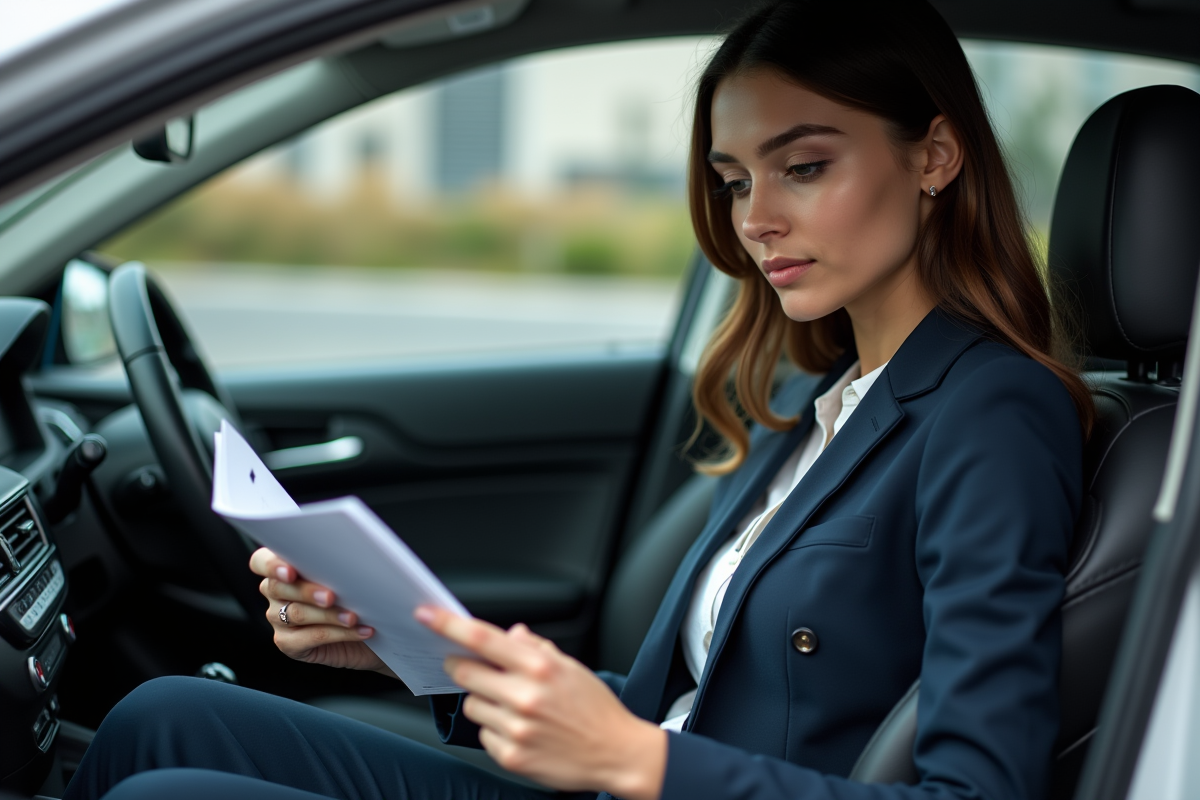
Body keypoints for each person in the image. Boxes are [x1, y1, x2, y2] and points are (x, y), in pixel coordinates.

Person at [63, 1, 1091, 799]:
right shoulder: (825, 398)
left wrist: (641, 762)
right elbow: (669, 710)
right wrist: (411, 652)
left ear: (934, 157)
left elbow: (978, 792)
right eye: (735, 180)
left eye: (804, 167)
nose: (756, 219)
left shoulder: (993, 414)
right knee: (164, 716)